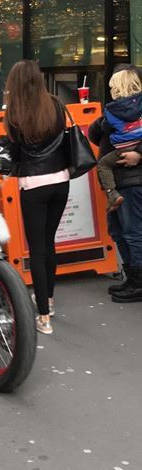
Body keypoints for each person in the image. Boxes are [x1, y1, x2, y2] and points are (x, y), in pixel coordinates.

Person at [2, 60, 69, 335]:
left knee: (37, 250)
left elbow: (15, 155)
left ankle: (43, 317)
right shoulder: (55, 104)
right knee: (49, 244)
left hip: (34, 184)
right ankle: (49, 302)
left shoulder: (16, 113)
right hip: (61, 181)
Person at [89, 65, 142, 303]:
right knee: (120, 231)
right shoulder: (114, 112)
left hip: (132, 181)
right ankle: (132, 278)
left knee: (132, 232)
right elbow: (95, 133)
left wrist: (139, 153)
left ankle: (138, 282)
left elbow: (94, 135)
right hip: (120, 181)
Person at [94, 69, 142, 212]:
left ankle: (112, 193)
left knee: (103, 164)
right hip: (137, 144)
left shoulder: (111, 109)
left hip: (123, 149)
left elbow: (103, 129)